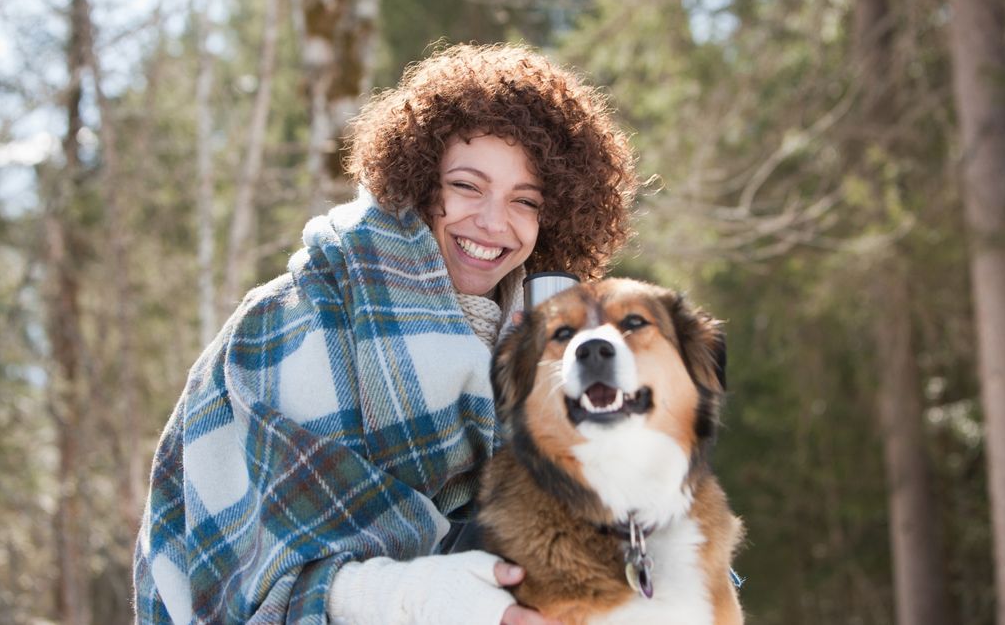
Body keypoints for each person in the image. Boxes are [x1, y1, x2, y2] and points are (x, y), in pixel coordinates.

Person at [133, 43, 640, 624]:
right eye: (467, 187)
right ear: (420, 181)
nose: (494, 222)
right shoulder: (293, 320)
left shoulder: (547, 341)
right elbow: (236, 567)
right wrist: (424, 599)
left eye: (525, 201)